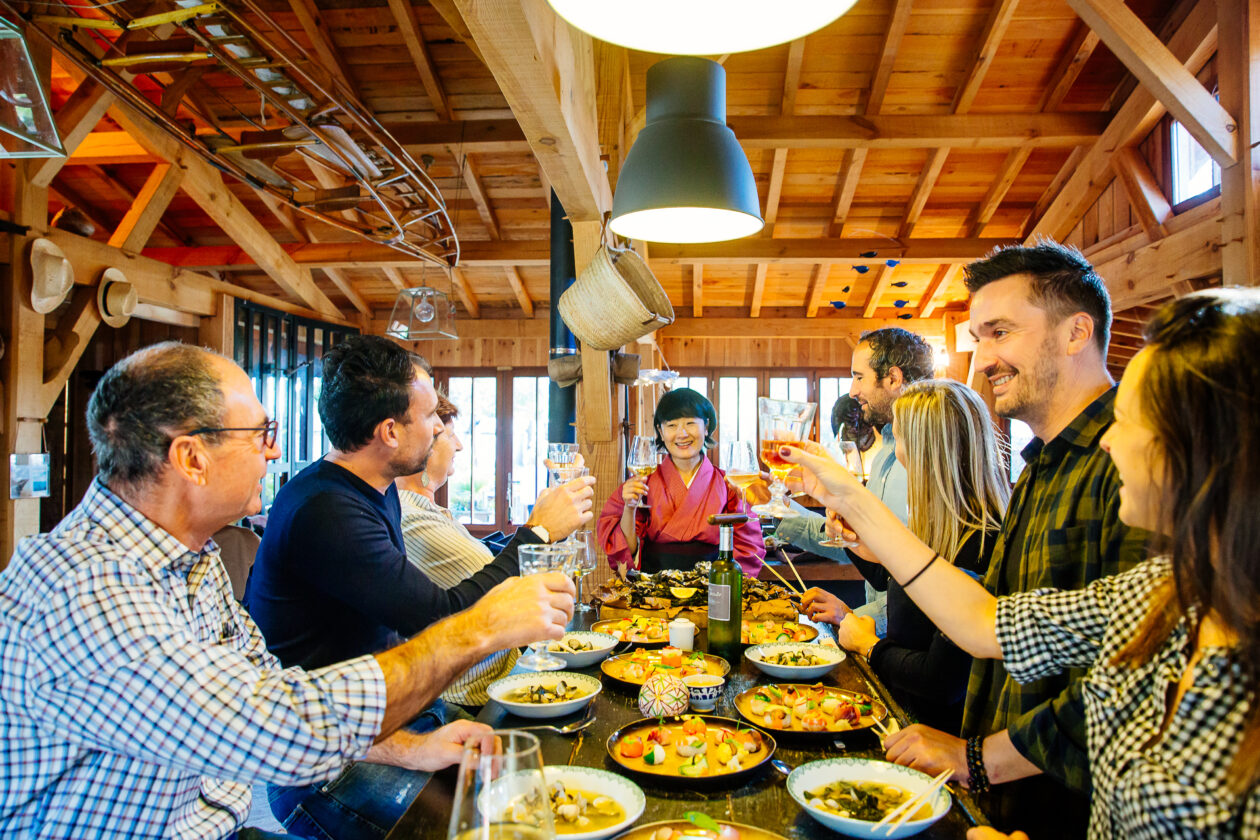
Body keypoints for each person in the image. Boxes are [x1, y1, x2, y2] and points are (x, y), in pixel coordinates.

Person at [0, 342, 576, 839]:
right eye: (260, 434)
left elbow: (275, 687)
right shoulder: (86, 590)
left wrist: (409, 747)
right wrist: (478, 628)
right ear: (192, 458)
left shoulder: (192, 562)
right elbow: (278, 727)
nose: (274, 452)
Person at [781, 288, 1260, 839]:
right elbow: (987, 625)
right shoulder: (1160, 592)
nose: (1108, 443)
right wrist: (849, 500)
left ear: (1206, 448)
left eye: (1130, 419)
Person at [244, 335, 595, 838]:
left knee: (545, 779)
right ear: (389, 431)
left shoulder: (373, 488)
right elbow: (440, 618)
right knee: (500, 827)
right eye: (431, 416)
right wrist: (535, 534)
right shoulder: (326, 511)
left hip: (396, 721)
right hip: (325, 763)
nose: (440, 429)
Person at [802, 380, 1008, 732]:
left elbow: (941, 681)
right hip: (904, 716)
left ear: (923, 449)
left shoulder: (979, 542)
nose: (892, 451)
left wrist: (870, 646)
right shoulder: (941, 524)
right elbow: (890, 577)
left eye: (896, 438)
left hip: (935, 736)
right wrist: (849, 541)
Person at [774, 328, 934, 635]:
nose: (851, 391)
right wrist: (779, 510)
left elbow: (934, 580)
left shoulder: (928, 457)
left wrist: (853, 619)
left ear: (893, 378)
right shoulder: (887, 451)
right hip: (879, 639)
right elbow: (859, 546)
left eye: (859, 377)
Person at [393, 393, 517, 709]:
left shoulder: (430, 508)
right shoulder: (409, 514)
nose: (459, 445)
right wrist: (541, 529)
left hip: (494, 677)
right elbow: (498, 584)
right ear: (424, 444)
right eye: (449, 435)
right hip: (465, 696)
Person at [597, 387, 764, 576]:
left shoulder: (729, 484)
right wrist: (629, 508)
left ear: (706, 426)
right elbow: (626, 551)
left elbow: (747, 546)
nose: (682, 434)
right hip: (654, 586)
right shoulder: (643, 484)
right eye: (671, 425)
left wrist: (727, 583)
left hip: (713, 584)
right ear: (660, 431)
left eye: (690, 423)